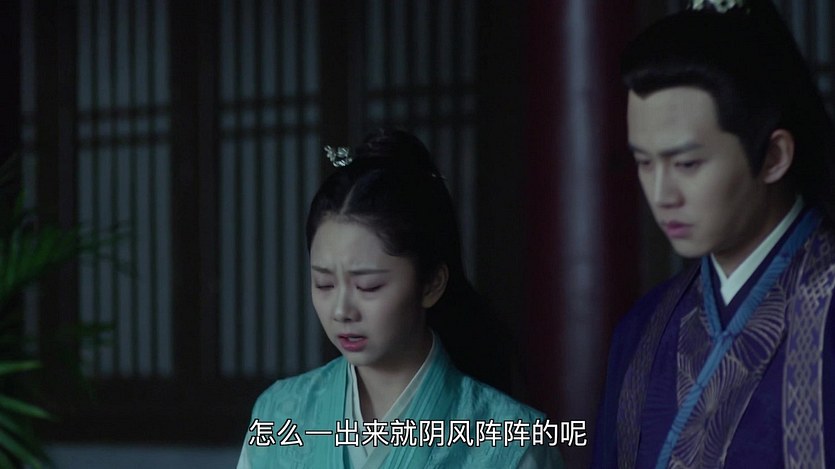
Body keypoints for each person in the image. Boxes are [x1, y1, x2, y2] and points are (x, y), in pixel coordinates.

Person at [592, 1, 835, 468]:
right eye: (644, 162)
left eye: (686, 164)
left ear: (773, 157)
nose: (661, 195)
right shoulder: (642, 331)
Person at [237, 129, 563, 468]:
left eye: (368, 286)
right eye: (324, 284)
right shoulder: (278, 414)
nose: (341, 310)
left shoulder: (514, 443)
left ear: (431, 284)